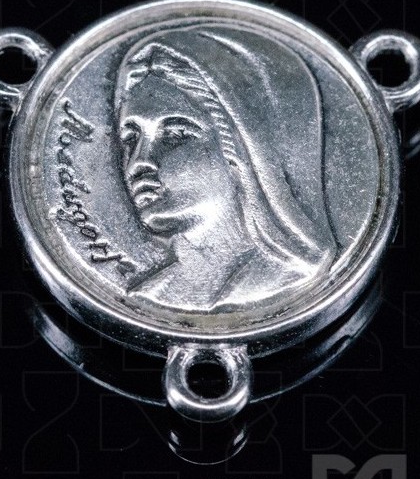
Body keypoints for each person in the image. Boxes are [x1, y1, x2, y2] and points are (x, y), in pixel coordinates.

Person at [114, 25, 337, 312]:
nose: (139, 162)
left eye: (177, 134)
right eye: (130, 139)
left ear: (244, 149)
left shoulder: (287, 278)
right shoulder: (151, 293)